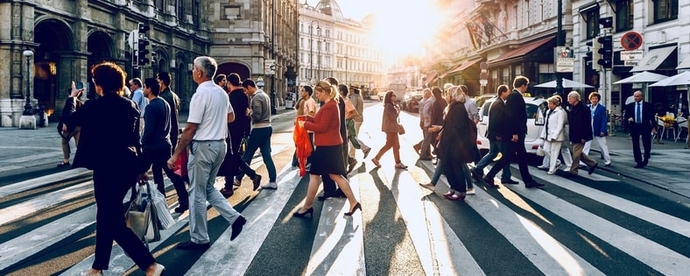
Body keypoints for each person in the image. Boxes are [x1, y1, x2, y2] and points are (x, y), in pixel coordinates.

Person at [70, 62, 164, 276]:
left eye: (95, 82)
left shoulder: (94, 107)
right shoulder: (130, 105)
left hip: (106, 168)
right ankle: (97, 268)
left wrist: (72, 98)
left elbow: (68, 122)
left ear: (100, 84)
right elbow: (135, 139)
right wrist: (141, 168)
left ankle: (150, 265)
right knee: (107, 216)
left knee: (111, 220)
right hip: (127, 167)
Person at [167, 56, 246, 250]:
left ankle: (199, 238)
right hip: (220, 145)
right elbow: (231, 117)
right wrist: (214, 122)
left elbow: (191, 128)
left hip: (203, 147)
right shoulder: (221, 92)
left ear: (200, 73)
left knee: (196, 194)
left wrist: (175, 154)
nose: (192, 71)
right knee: (208, 188)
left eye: (193, 68)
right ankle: (235, 218)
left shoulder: (200, 94)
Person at [293, 80, 361, 217]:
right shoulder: (331, 104)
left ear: (324, 92)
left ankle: (307, 207)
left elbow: (322, 127)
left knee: (314, 175)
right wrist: (306, 118)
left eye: (318, 93)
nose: (317, 95)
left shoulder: (330, 106)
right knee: (335, 175)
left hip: (327, 146)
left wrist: (306, 125)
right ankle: (353, 202)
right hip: (330, 145)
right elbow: (320, 121)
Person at [483, 76, 543, 188]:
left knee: (520, 156)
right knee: (509, 156)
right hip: (516, 133)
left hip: (517, 132)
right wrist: (515, 133)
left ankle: (528, 181)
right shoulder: (515, 97)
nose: (527, 87)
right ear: (523, 85)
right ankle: (490, 176)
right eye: (526, 85)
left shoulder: (514, 96)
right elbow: (512, 116)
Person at [140, 77, 189, 213]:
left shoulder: (150, 107)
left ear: (149, 89)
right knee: (167, 173)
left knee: (138, 172)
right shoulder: (164, 103)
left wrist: (142, 142)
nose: (143, 89)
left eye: (144, 87)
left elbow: (149, 130)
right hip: (165, 144)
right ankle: (181, 199)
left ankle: (140, 203)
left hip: (152, 147)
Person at [218, 73, 262, 198]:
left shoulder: (230, 97)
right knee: (233, 157)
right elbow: (245, 115)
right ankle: (250, 176)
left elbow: (228, 115)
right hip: (240, 131)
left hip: (231, 131)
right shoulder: (244, 96)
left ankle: (230, 186)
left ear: (229, 83)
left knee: (231, 157)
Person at [433, 86, 479, 200]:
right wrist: (441, 130)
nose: (446, 96)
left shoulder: (458, 108)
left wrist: (446, 136)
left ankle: (460, 192)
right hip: (450, 143)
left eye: (447, 94)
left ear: (453, 95)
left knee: (456, 167)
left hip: (455, 144)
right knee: (448, 167)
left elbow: (457, 127)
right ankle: (453, 189)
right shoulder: (453, 107)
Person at [237, 79, 277, 189]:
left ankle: (238, 178)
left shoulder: (256, 97)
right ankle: (273, 181)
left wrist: (250, 113)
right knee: (266, 156)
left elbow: (257, 116)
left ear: (250, 87)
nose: (245, 92)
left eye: (245, 90)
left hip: (259, 129)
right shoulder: (265, 95)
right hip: (267, 127)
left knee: (247, 155)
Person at [471, 84, 512, 186]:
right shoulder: (499, 104)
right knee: (506, 155)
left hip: (493, 134)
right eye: (508, 91)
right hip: (497, 135)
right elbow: (497, 120)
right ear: (503, 92)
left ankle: (477, 169)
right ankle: (505, 176)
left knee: (493, 153)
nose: (509, 93)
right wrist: (499, 134)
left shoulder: (496, 102)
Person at [371, 91, 408, 169]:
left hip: (391, 128)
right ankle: (377, 158)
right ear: (389, 97)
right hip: (391, 129)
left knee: (395, 145)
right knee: (390, 145)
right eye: (393, 95)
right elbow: (393, 117)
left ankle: (397, 162)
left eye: (395, 95)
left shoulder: (391, 105)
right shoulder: (389, 106)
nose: (395, 96)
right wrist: (398, 112)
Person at [567, 91, 598, 176]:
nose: (568, 100)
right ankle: (592, 163)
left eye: (570, 98)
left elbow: (586, 123)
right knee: (577, 152)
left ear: (575, 98)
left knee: (576, 154)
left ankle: (573, 170)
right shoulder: (572, 107)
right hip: (574, 133)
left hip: (581, 134)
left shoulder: (584, 108)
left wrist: (584, 136)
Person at [624, 90, 656, 168]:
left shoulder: (648, 106)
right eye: (635, 96)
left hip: (645, 126)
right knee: (635, 144)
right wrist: (629, 119)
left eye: (637, 96)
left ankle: (646, 156)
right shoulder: (630, 106)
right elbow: (626, 116)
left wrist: (654, 127)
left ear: (642, 96)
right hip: (635, 126)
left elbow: (652, 117)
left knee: (647, 143)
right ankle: (638, 161)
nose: (636, 98)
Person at [582, 92, 612, 166]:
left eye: (596, 98)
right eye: (593, 98)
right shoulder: (588, 107)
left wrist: (602, 130)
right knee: (586, 145)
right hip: (589, 128)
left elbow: (604, 119)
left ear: (598, 99)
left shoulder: (601, 108)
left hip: (598, 128)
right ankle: (583, 162)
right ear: (590, 99)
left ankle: (607, 160)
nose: (594, 100)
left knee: (602, 145)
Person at [57, 84, 83, 167]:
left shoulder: (69, 101)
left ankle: (66, 160)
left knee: (64, 142)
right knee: (79, 144)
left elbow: (66, 114)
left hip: (70, 126)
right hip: (79, 126)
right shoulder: (80, 103)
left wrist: (64, 123)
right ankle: (81, 160)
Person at [539, 96, 567, 174]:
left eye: (550, 104)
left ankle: (552, 168)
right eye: (548, 104)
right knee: (545, 150)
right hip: (548, 135)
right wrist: (543, 134)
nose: (549, 105)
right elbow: (546, 124)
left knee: (554, 152)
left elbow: (560, 125)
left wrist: (555, 136)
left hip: (556, 136)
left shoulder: (560, 112)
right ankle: (557, 162)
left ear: (555, 104)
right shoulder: (548, 111)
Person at [291, 85, 317, 167]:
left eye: (303, 91)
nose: (301, 92)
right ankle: (302, 161)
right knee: (303, 144)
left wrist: (304, 122)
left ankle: (312, 162)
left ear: (307, 92)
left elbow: (311, 115)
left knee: (309, 146)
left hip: (308, 128)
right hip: (304, 127)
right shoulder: (305, 101)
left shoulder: (310, 101)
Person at [157, 72, 181, 153]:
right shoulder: (174, 95)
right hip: (174, 132)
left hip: (167, 134)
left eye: (158, 80)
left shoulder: (163, 97)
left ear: (161, 82)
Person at [347, 86, 372, 162]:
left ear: (352, 90)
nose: (349, 90)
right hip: (359, 119)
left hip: (355, 119)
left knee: (353, 137)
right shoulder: (359, 96)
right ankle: (360, 151)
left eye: (350, 89)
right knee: (353, 137)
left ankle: (353, 155)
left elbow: (352, 109)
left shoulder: (354, 97)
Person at [415, 88, 434, 160]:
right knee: (427, 138)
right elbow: (423, 113)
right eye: (430, 93)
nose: (431, 95)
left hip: (423, 121)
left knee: (427, 138)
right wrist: (424, 121)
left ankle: (428, 153)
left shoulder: (424, 101)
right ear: (426, 94)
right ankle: (422, 152)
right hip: (424, 122)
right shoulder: (425, 101)